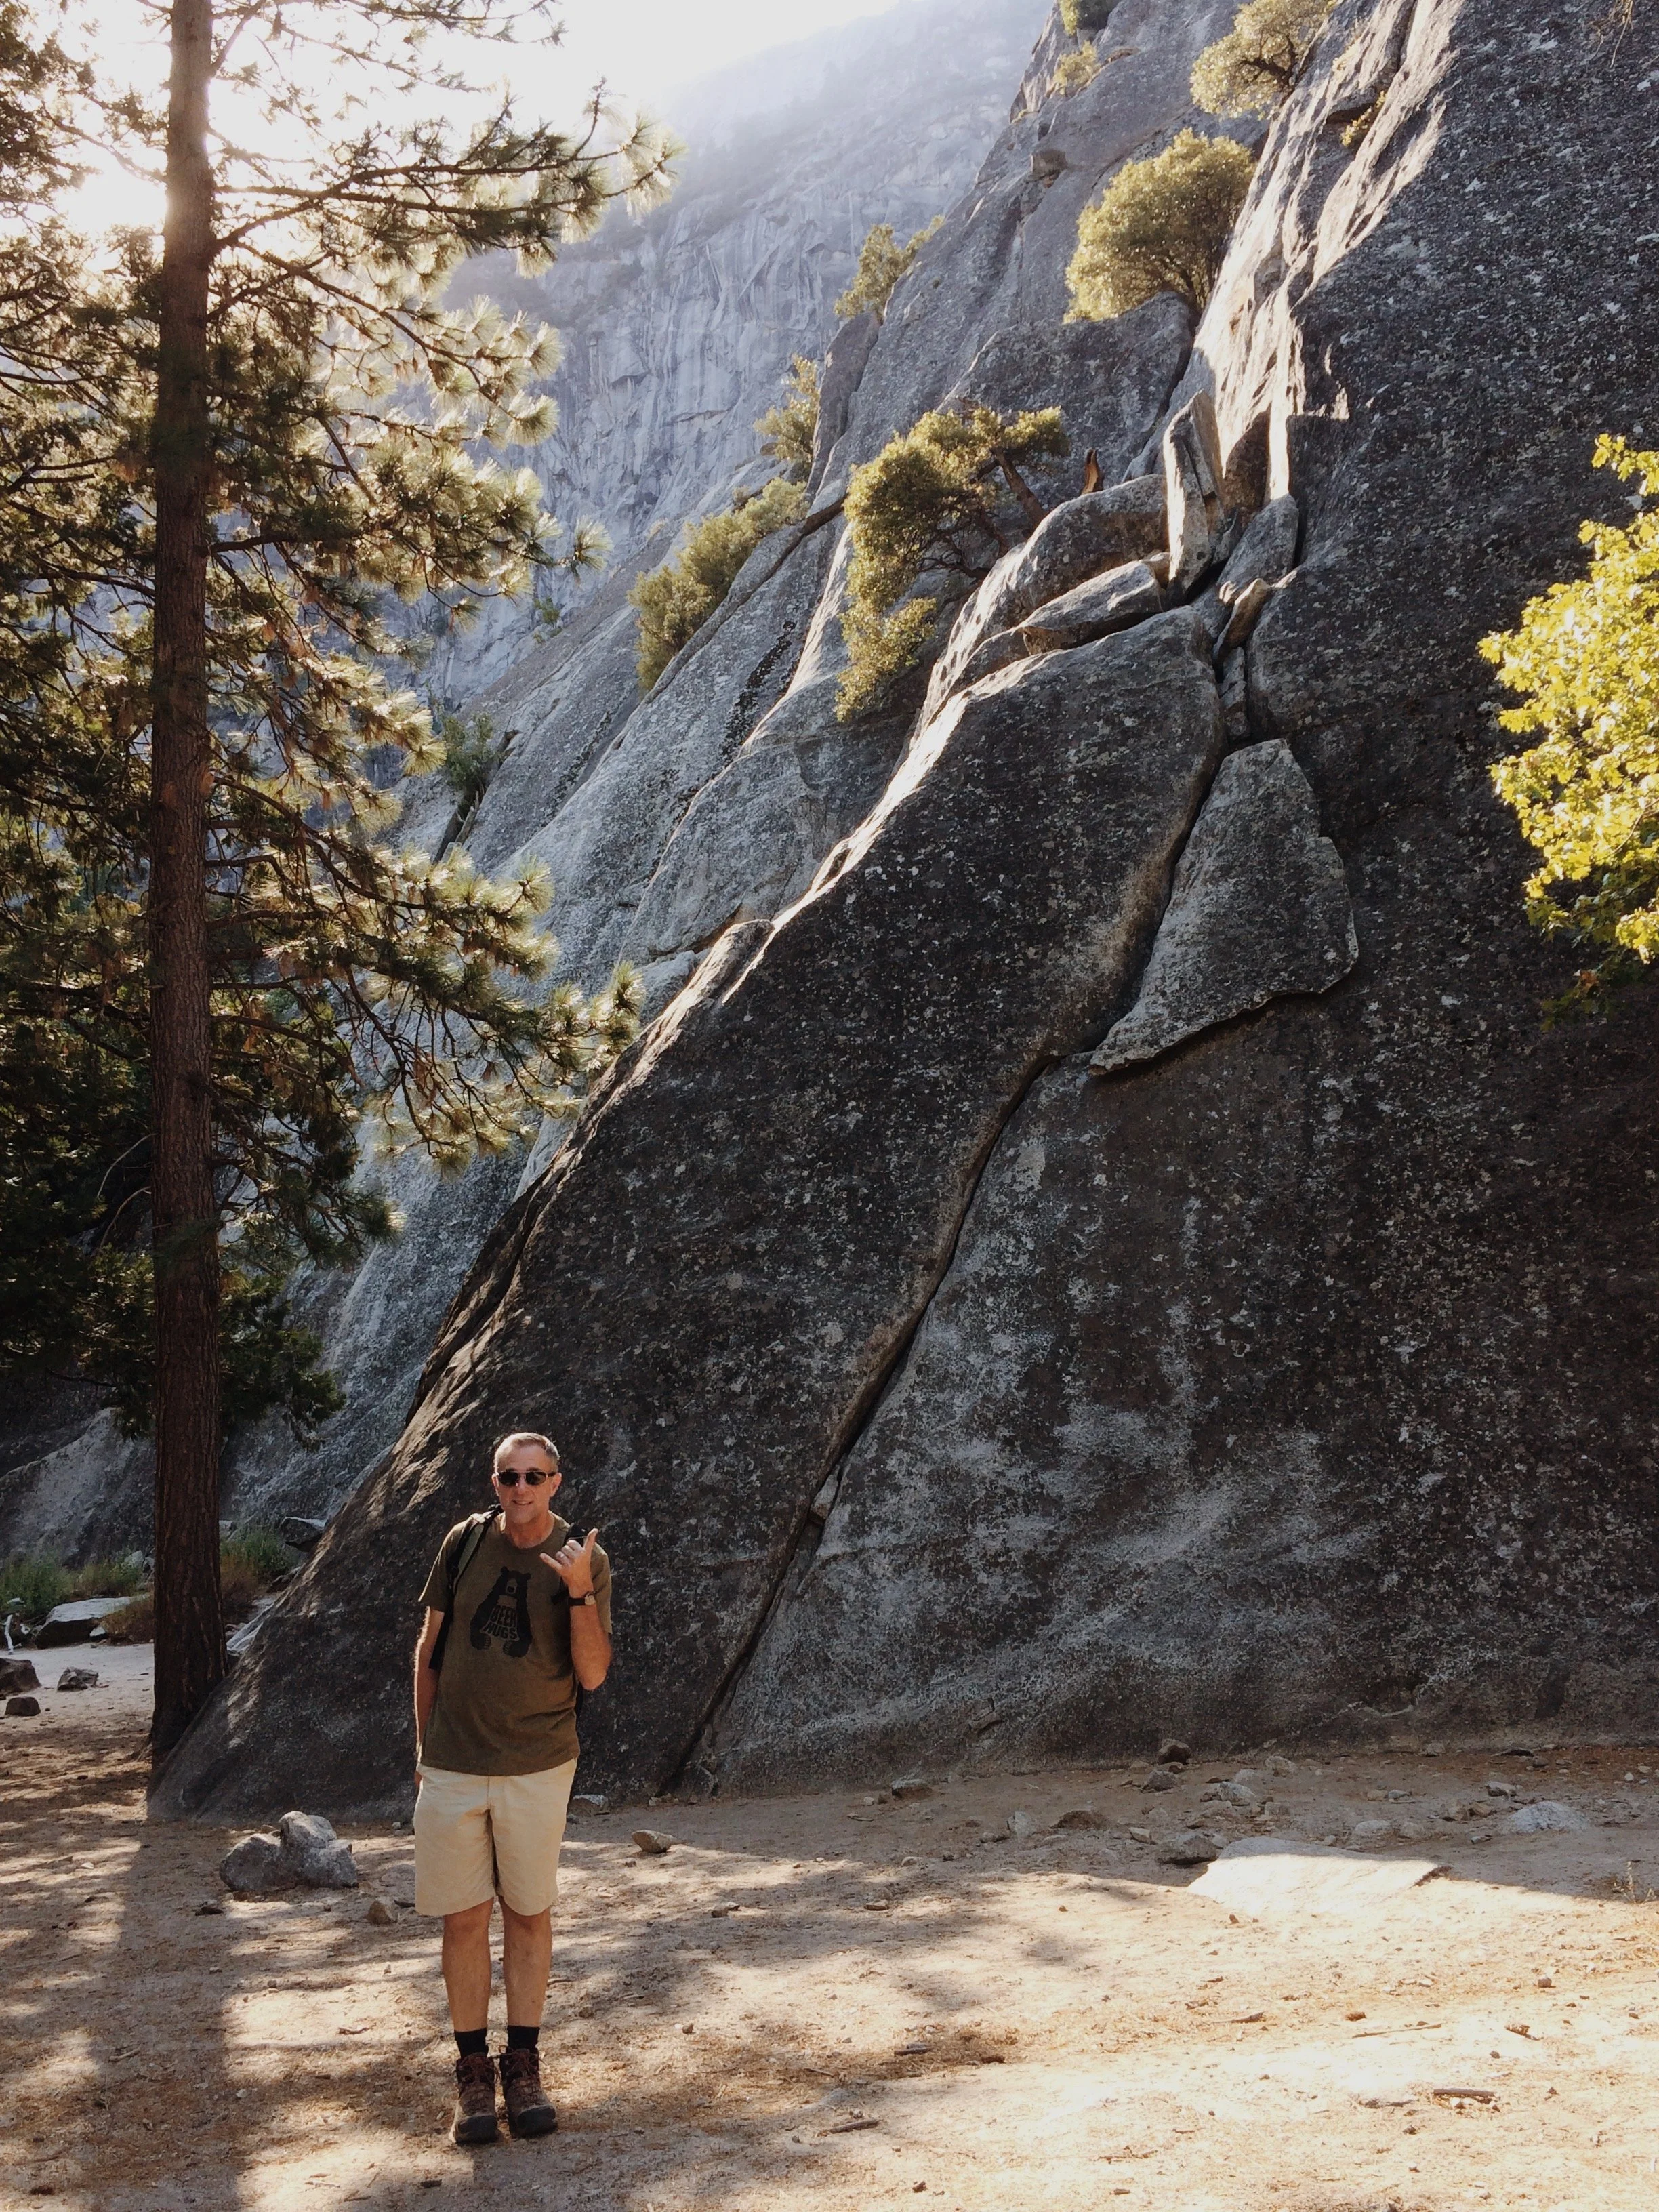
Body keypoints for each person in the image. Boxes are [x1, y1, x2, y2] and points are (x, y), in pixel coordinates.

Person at [412, 1429, 612, 2145]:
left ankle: (522, 2064)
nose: (521, 1488)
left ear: (556, 1482)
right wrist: (423, 1746)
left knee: (528, 1914)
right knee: (463, 1920)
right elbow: (430, 1650)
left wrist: (580, 1591)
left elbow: (592, 1675)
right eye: (508, 1477)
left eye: (535, 1476)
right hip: (455, 1762)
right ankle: (473, 2074)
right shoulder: (463, 1544)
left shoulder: (580, 1559)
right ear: (493, 1481)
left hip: (537, 1761)